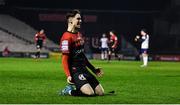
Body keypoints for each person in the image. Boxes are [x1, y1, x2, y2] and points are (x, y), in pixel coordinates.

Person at [59, 9, 104, 96]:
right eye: (78, 19)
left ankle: (80, 87)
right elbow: (64, 59)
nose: (81, 21)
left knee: (100, 93)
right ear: (71, 20)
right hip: (75, 71)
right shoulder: (66, 37)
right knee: (90, 93)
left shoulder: (79, 35)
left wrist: (93, 69)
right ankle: (68, 91)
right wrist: (68, 75)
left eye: (80, 19)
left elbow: (82, 55)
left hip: (84, 69)